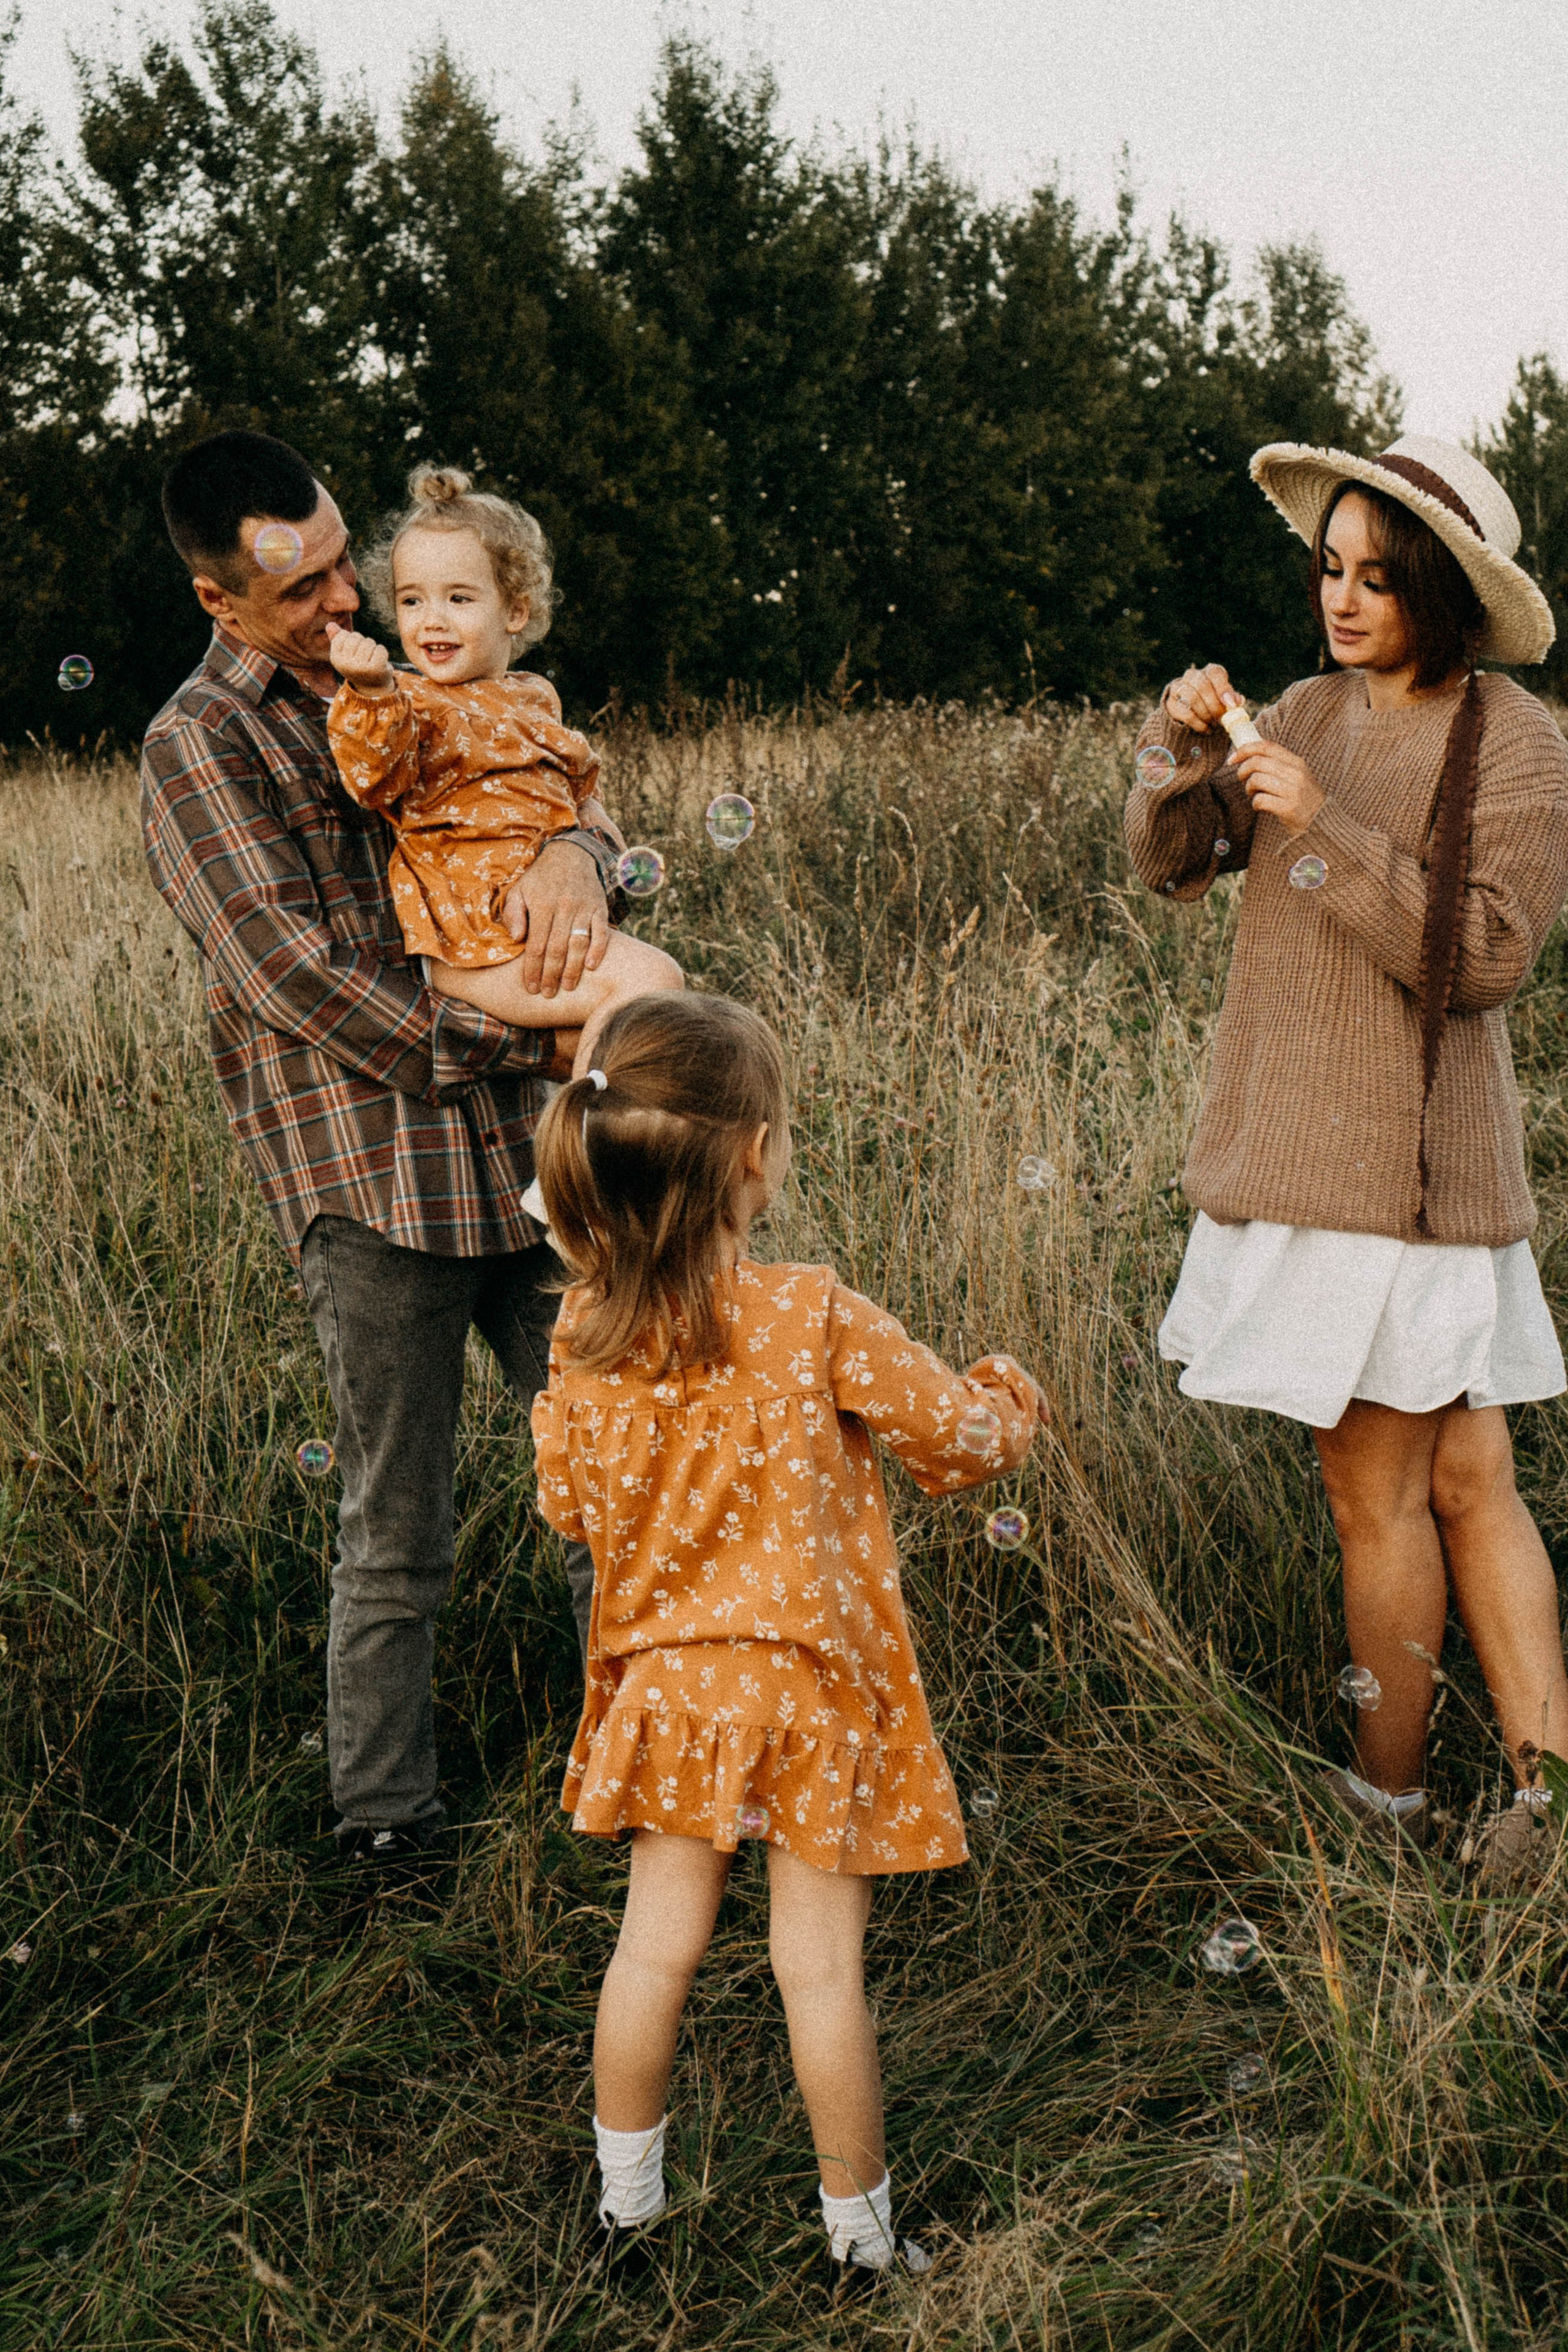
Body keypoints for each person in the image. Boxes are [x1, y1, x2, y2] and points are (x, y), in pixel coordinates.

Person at [141, 428, 615, 1875]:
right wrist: (519, 1027)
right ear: (223, 603)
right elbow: (290, 972)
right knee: (395, 1527)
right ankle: (384, 1824)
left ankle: (658, 1764)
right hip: (373, 1177)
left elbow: (561, 796)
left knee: (616, 1472)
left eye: (350, 558)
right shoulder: (195, 747)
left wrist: (578, 860)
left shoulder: (418, 669)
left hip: (534, 1161)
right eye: (303, 588)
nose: (348, 598)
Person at [528, 993, 1045, 2288]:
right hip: (809, 1697)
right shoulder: (809, 1313)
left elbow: (566, 1507)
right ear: (752, 1155)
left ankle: (624, 2216)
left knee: (653, 1948)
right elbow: (960, 1447)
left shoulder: (582, 1334)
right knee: (815, 1970)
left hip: (663, 1698)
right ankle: (862, 2247)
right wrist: (1006, 1400)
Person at [1126, 433, 1568, 1887]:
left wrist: (1318, 833)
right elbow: (1171, 861)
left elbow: (1489, 953)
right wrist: (1179, 753)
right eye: (1329, 568)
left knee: (1382, 1490)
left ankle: (1382, 1808)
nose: (1341, 598)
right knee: (1459, 1474)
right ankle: (1538, 1794)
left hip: (1399, 1180)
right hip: (1297, 1153)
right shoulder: (1301, 707)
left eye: (1379, 579)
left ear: (1443, 591)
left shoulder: (1509, 736)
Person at [326, 465, 682, 1076]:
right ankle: (584, 1151)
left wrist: (586, 847)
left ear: (514, 611)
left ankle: (591, 1142)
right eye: (412, 600)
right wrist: (372, 690)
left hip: (533, 931)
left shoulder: (534, 695)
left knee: (648, 1033)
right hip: (471, 944)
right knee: (654, 983)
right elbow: (372, 776)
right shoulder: (408, 702)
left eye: (458, 598)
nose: (431, 619)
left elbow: (580, 797)